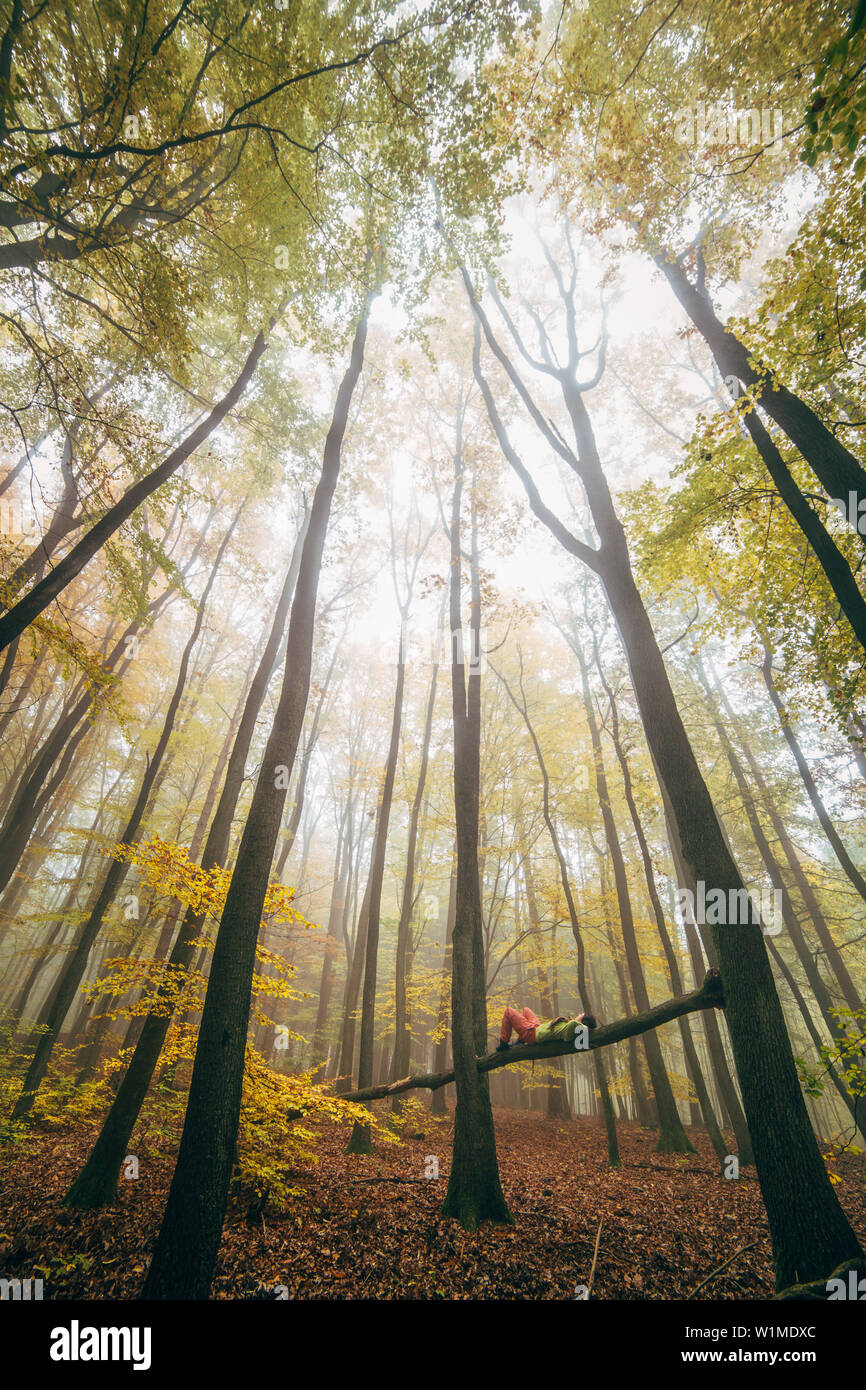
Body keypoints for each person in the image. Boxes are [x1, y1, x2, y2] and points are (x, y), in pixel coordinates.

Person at [496, 1004, 597, 1051]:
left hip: (532, 1035)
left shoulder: (571, 1028)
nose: (579, 1014)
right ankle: (521, 1040)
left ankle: (503, 1043)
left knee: (508, 1011)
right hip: (536, 1027)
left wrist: (586, 1028)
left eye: (581, 1014)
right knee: (526, 1009)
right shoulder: (571, 1024)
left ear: (582, 1021)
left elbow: (571, 1030)